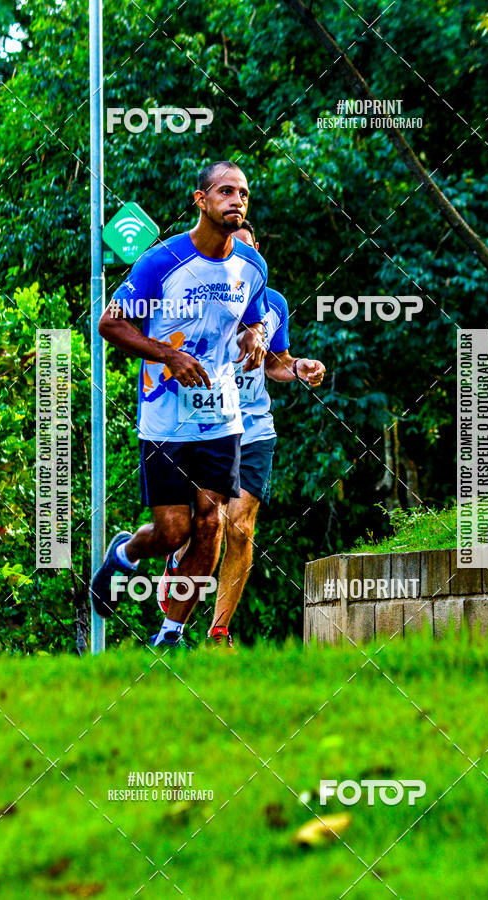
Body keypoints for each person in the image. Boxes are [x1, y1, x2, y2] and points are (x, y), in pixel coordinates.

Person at [91, 161, 269, 650]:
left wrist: (255, 336)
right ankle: (125, 554)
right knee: (174, 532)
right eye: (227, 192)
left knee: (211, 523)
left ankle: (171, 634)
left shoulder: (252, 266)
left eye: (244, 194)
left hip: (221, 417)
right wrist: (170, 355)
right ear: (201, 200)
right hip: (166, 416)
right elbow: (111, 324)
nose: (237, 200)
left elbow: (253, 319)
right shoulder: (161, 261)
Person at [154, 219, 326, 649]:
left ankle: (218, 631)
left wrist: (299, 367)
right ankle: (178, 566)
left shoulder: (273, 304)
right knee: (201, 524)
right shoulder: (198, 293)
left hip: (253, 428)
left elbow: (276, 362)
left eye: (247, 252)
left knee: (240, 527)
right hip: (202, 423)